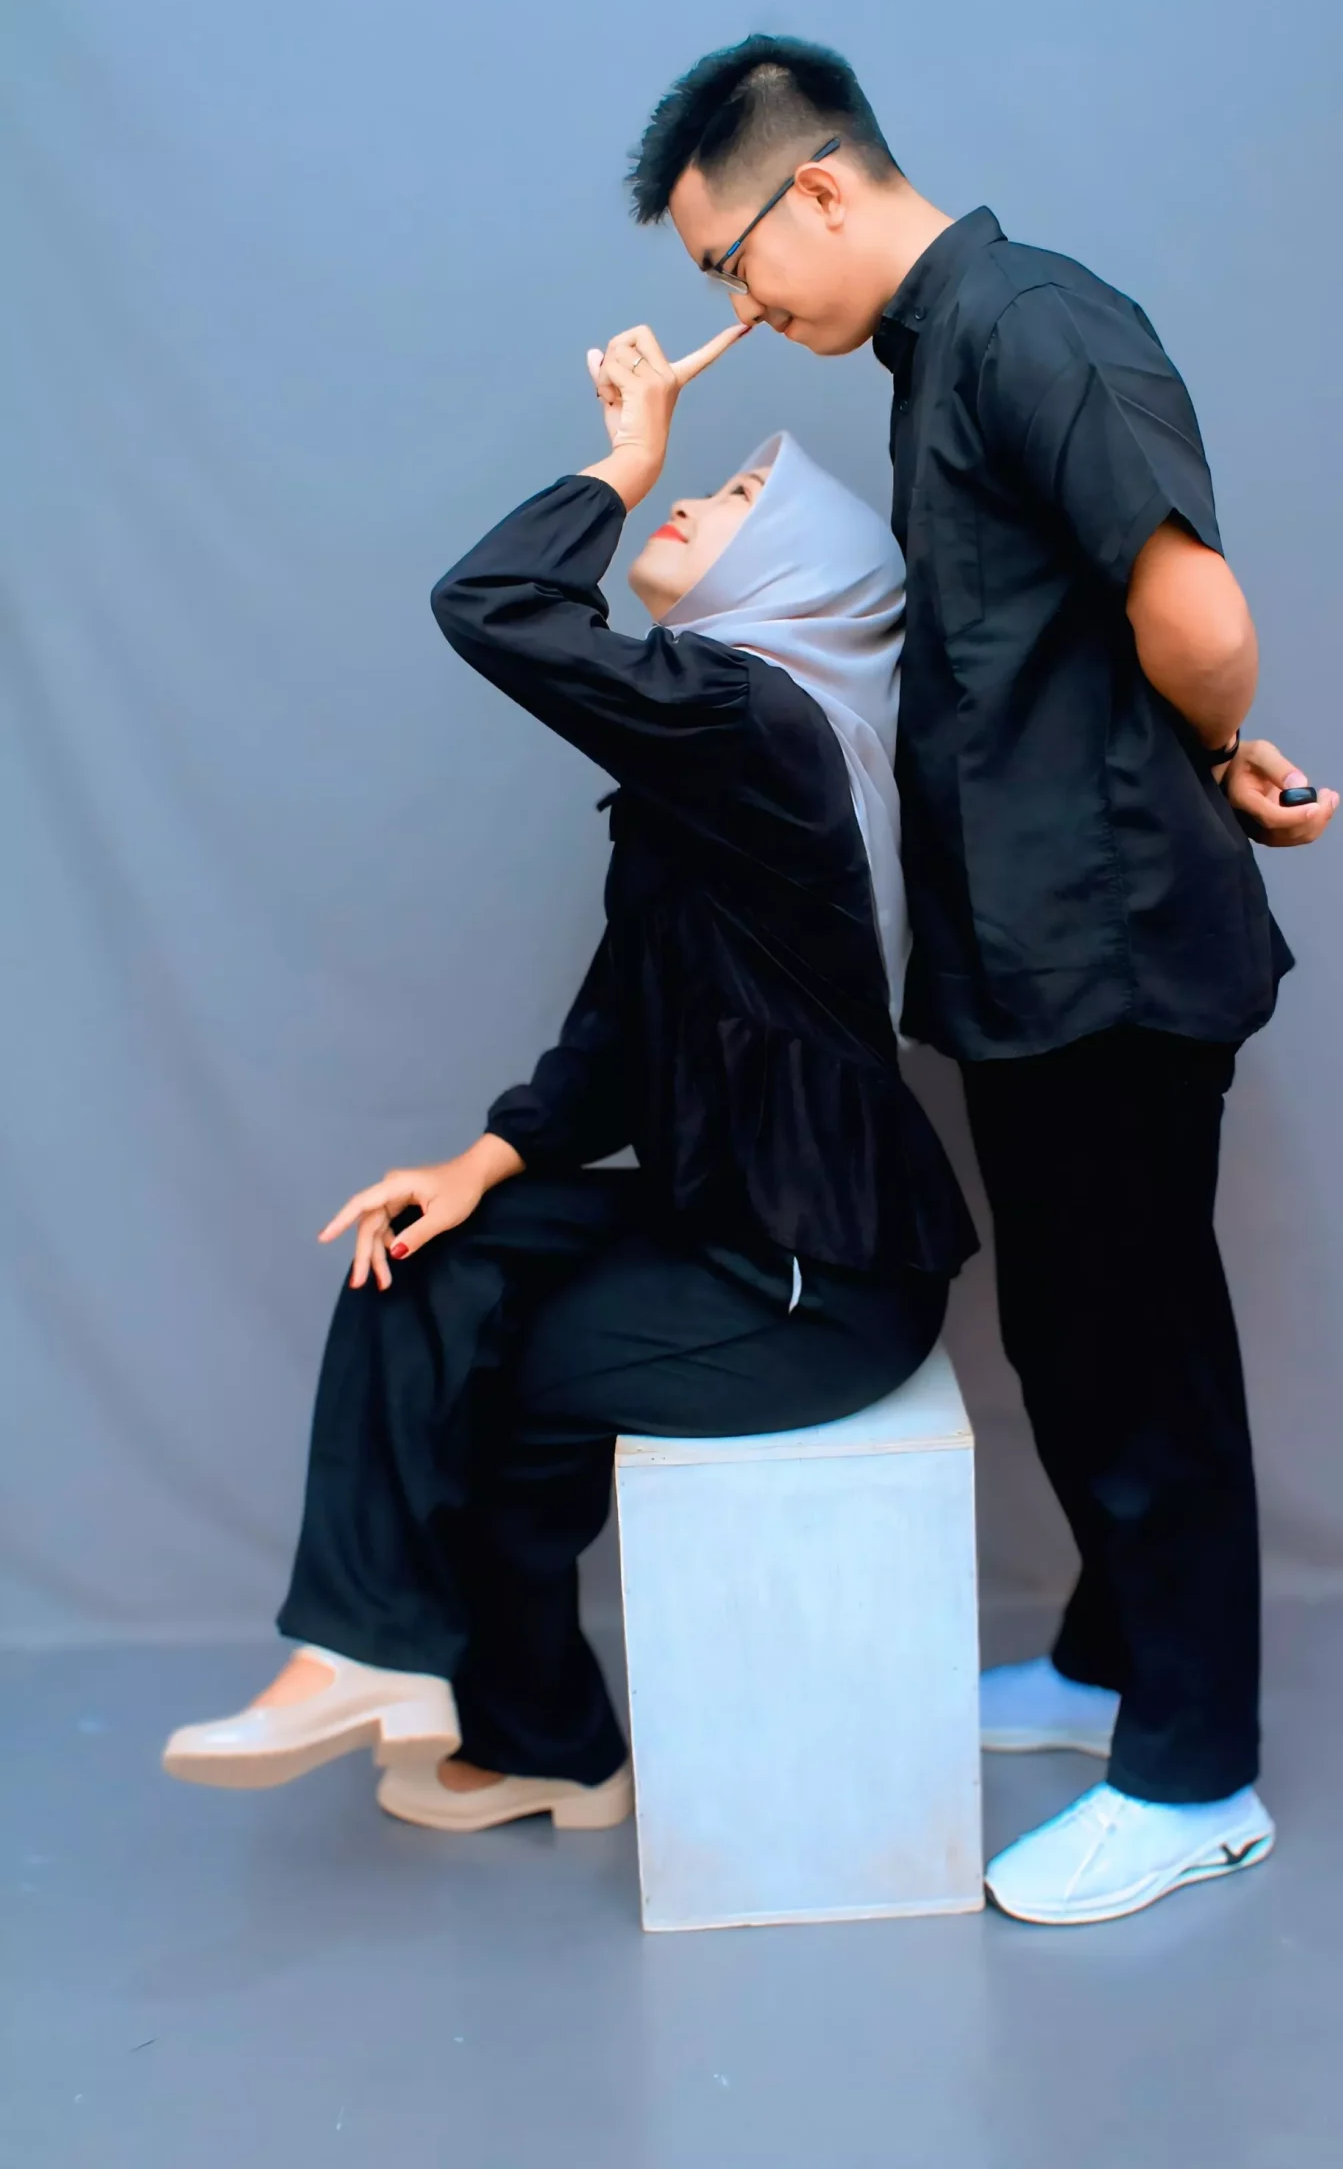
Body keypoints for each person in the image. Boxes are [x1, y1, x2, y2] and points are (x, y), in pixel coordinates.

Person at [627, 37, 1342, 1926]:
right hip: (1036, 951)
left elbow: (1196, 609)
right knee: (1069, 1337)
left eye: (730, 265)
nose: (737, 310)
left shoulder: (1031, 323)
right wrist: (1199, 755)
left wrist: (1213, 741)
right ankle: (1112, 1661)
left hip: (1107, 951)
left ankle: (1195, 1776)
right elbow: (1069, 646)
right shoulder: (934, 349)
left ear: (820, 188)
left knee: (1138, 1351)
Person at [162, 321, 976, 1831]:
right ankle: (387, 1667)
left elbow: (491, 605)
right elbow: (623, 1022)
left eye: (740, 499)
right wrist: (484, 1161)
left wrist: (626, 459)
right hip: (721, 1225)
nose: (697, 503)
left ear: (798, 572)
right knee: (421, 1260)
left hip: (819, 1283)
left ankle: (529, 1732)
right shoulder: (728, 747)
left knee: (501, 1380)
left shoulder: (758, 723)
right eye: (705, 484)